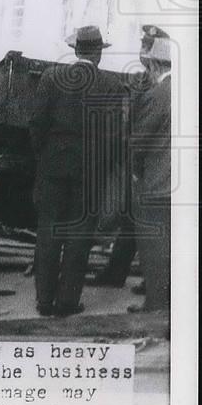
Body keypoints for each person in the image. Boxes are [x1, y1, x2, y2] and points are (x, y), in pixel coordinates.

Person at [28, 25, 124, 316]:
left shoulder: (51, 77)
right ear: (97, 53)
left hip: (53, 165)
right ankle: (67, 302)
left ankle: (44, 301)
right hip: (89, 170)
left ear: (75, 50)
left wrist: (44, 156)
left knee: (48, 232)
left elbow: (36, 122)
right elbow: (114, 135)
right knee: (79, 236)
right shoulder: (110, 85)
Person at [94, 25, 169, 288]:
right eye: (142, 46)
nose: (142, 52)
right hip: (136, 160)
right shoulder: (139, 80)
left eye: (147, 47)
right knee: (130, 219)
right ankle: (118, 273)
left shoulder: (164, 83)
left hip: (153, 165)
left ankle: (155, 284)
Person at [128, 34, 173, 312]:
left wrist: (134, 172)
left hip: (157, 183)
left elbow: (139, 141)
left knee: (153, 244)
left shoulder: (157, 95)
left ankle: (156, 304)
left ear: (155, 64)